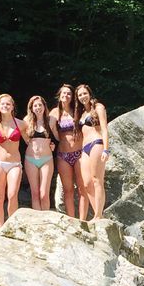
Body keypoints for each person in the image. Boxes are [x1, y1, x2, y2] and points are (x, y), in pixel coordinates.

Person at [0, 93, 25, 228]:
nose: (5, 106)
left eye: (8, 104)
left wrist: (48, 145)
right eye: (3, 104)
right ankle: (0, 228)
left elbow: (31, 140)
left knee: (13, 195)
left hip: (15, 163)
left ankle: (11, 225)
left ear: (12, 106)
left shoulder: (20, 123)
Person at [75, 83, 110, 220]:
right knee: (86, 183)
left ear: (89, 94)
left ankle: (97, 215)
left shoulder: (98, 107)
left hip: (97, 144)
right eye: (80, 95)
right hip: (85, 148)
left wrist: (106, 149)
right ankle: (98, 213)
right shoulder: (82, 113)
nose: (82, 96)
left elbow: (104, 129)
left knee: (97, 180)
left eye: (84, 93)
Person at [51, 82, 85, 218]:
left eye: (69, 93)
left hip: (79, 153)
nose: (66, 95)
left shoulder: (78, 111)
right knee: (68, 190)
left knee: (83, 188)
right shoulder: (54, 112)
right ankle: (72, 219)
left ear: (72, 96)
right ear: (59, 95)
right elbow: (40, 125)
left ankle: (83, 220)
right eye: (64, 93)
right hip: (63, 155)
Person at [22, 94, 56, 211]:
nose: (38, 107)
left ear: (44, 106)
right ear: (31, 108)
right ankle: (38, 221)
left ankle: (45, 218)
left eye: (40, 105)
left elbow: (58, 137)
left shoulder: (51, 120)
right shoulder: (26, 121)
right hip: (30, 159)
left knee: (44, 193)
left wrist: (54, 144)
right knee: (35, 193)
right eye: (35, 105)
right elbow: (25, 139)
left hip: (47, 159)